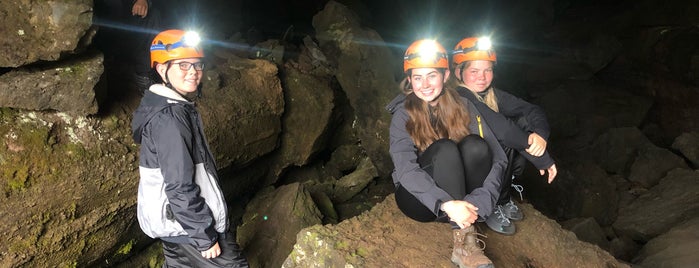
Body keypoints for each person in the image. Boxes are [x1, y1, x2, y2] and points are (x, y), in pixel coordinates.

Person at [386, 39, 509, 268]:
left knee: (477, 145)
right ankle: (464, 243)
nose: (425, 84)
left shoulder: (464, 105)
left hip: (462, 199)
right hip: (419, 202)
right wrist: (446, 204)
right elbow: (405, 169)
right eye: (418, 77)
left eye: (432, 75)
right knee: (445, 148)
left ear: (445, 75)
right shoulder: (402, 115)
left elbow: (498, 156)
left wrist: (482, 199)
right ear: (409, 81)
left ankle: (465, 225)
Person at [131, 29, 249, 267]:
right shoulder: (170, 118)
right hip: (188, 229)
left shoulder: (170, 107)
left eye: (198, 65)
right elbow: (179, 186)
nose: (194, 73)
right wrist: (204, 237)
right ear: (162, 69)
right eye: (183, 65)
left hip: (176, 226)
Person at [451, 36, 558, 235]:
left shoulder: (491, 94)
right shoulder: (459, 96)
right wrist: (542, 159)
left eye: (488, 70)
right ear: (459, 72)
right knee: (502, 138)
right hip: (464, 167)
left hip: (488, 160)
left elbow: (531, 110)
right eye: (474, 71)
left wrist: (540, 136)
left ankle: (502, 196)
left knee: (524, 124)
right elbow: (501, 128)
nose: (482, 77)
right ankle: (487, 204)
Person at [93, 0, 163, 92]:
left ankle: (143, 74)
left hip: (128, 18)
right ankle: (111, 65)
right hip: (106, 21)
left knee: (153, 14)